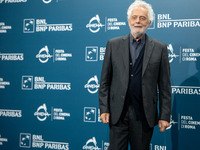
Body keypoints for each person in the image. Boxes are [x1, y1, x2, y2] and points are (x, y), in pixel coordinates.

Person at [99, 0, 171, 150]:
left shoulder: (160, 48)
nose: (138, 21)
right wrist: (104, 108)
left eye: (143, 18)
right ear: (128, 20)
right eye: (134, 17)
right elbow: (105, 82)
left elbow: (165, 87)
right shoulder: (113, 44)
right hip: (118, 114)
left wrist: (164, 116)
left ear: (149, 22)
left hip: (144, 115)